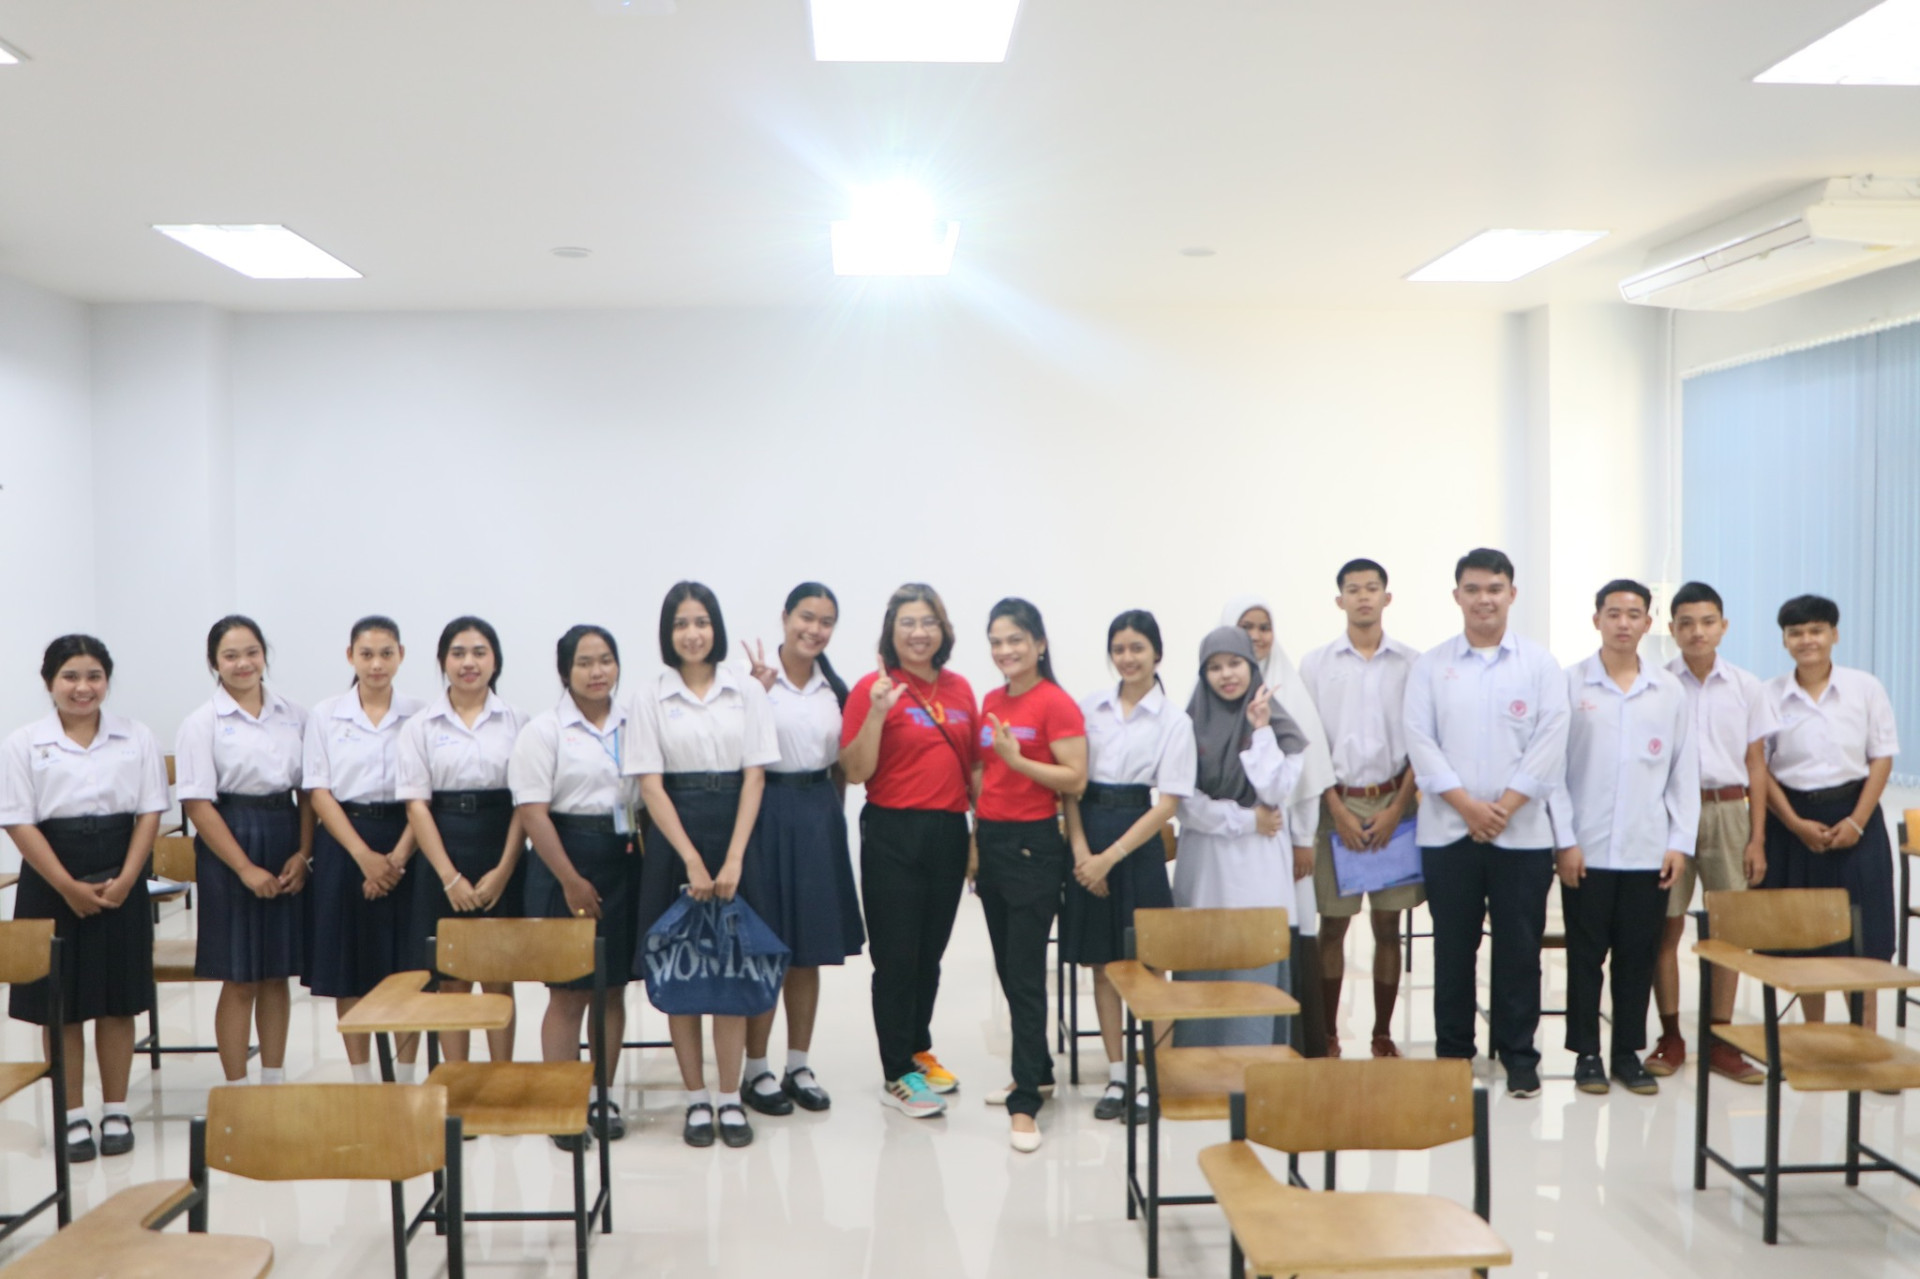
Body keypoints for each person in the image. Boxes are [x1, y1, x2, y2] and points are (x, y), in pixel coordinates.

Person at [1404, 548, 1568, 1099]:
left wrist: (1506, 806)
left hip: (1522, 835)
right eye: (1472, 589)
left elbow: (1549, 742)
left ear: (1511, 594)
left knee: (1519, 949)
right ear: (1457, 596)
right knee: (1453, 949)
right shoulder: (1431, 666)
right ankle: (1453, 1054)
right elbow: (1420, 742)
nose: (1484, 599)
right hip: (1448, 832)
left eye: (1494, 589)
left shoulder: (1539, 665)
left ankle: (1519, 1056)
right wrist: (1468, 807)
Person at [2, 635, 165, 1161]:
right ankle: (71, 1114)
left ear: (107, 681)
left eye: (94, 676)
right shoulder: (25, 742)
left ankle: (116, 1108)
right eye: (70, 676)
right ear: (50, 682)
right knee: (62, 1004)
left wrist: (128, 878)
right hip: (52, 875)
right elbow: (18, 820)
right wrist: (67, 887)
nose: (82, 687)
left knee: (118, 1000)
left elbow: (150, 811)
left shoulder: (135, 736)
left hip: (122, 871)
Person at [629, 582, 779, 1149]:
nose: (692, 634)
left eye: (701, 622)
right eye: (681, 624)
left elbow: (755, 776)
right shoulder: (651, 695)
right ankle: (696, 1097)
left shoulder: (747, 690)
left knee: (733, 965)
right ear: (667, 634)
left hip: (738, 827)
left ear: (716, 627)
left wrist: (734, 855)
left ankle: (730, 1096)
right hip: (676, 833)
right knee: (683, 968)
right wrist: (691, 858)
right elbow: (650, 784)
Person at [1547, 580, 1699, 1097]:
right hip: (1585, 849)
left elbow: (1683, 772)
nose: (1623, 623)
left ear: (1648, 624)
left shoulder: (1668, 690)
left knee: (1637, 956)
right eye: (1613, 613)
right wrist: (1564, 841)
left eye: (1634, 614)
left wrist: (1679, 843)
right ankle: (1587, 1054)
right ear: (1597, 620)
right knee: (1585, 956)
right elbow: (1553, 772)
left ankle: (1626, 1053)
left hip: (1646, 848)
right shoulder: (1570, 685)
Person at [840, 583, 977, 1119]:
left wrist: (978, 836)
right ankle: (896, 1072)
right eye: (908, 623)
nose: (919, 633)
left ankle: (918, 1049)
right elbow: (855, 772)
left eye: (929, 622)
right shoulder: (870, 689)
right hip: (892, 832)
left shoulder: (961, 690)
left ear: (943, 630)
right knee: (896, 958)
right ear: (891, 633)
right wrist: (877, 713)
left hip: (949, 831)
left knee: (929, 956)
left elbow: (975, 769)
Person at [509, 624, 640, 1149]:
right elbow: (532, 812)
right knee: (567, 993)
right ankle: (562, 1103)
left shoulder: (635, 723)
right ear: (565, 672)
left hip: (622, 860)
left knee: (611, 987)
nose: (596, 671)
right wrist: (570, 880)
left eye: (605, 660)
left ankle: (601, 1096)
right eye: (584, 663)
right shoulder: (543, 731)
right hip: (563, 861)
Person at [1061, 610, 1192, 1123]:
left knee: (1152, 964)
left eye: (1138, 648)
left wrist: (1109, 858)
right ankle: (1117, 1075)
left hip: (1138, 843)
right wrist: (1081, 855)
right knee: (1103, 964)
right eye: (1119, 649)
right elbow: (1072, 785)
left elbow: (1167, 805)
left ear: (1157, 653)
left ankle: (1152, 1078)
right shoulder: (1089, 708)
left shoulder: (1173, 720)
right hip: (1089, 834)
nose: (1128, 657)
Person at [740, 583, 864, 1115]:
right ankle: (755, 1069)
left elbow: (841, 765)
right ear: (785, 617)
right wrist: (754, 692)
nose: (814, 629)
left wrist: (830, 816)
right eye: (806, 617)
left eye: (826, 621)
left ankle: (798, 1064)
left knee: (808, 950)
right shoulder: (754, 683)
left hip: (817, 816)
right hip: (766, 812)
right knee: (767, 947)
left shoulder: (834, 688)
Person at [174, 615, 311, 1086]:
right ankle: (236, 1087)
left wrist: (304, 853)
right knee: (240, 976)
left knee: (276, 973)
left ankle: (272, 1082)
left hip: (284, 830)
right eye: (230, 655)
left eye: (252, 652)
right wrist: (245, 867)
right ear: (214, 662)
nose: (243, 663)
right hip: (229, 838)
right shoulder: (202, 722)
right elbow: (197, 803)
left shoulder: (294, 714)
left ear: (264, 655)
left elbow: (308, 791)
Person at [972, 598, 1087, 1154]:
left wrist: (1018, 761)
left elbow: (1076, 778)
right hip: (993, 843)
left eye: (1015, 639)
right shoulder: (992, 700)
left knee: (1023, 973)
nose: (1005, 650)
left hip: (1032, 848)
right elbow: (983, 772)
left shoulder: (1055, 703)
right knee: (1007, 965)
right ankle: (1036, 1071)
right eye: (996, 641)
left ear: (1039, 644)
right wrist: (976, 838)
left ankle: (1025, 1104)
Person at [1650, 581, 1775, 1082]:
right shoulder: (1658, 683)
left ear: (1723, 626)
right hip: (1668, 815)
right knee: (1665, 926)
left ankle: (1722, 1042)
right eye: (1686, 623)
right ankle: (1671, 1037)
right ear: (1672, 629)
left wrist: (1757, 838)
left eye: (1707, 622)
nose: (1697, 632)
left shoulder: (1747, 686)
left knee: (1730, 934)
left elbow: (1757, 764)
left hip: (1729, 812)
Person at [1297, 559, 1422, 1059]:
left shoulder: (1412, 664)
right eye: (1354, 589)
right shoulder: (1316, 665)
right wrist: (1337, 809)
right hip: (1336, 802)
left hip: (1396, 803)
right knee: (1333, 924)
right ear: (1340, 600)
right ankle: (1327, 1033)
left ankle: (1382, 1034)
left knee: (1388, 926)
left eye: (1372, 588)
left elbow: (1423, 743)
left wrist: (1398, 808)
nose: (1364, 597)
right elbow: (1308, 745)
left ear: (1387, 598)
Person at [1762, 594, 1899, 1026]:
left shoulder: (1865, 688)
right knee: (1803, 939)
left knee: (1865, 939)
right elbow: (1759, 769)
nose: (1807, 640)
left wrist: (1857, 822)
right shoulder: (1769, 695)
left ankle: (1865, 1042)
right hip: (1792, 821)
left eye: (1816, 630)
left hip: (1856, 816)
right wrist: (1793, 823)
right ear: (1784, 640)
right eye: (1796, 633)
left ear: (1834, 635)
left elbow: (1882, 757)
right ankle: (1814, 1037)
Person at [398, 616, 528, 1065]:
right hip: (443, 849)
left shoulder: (518, 722)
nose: (468, 662)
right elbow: (417, 807)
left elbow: (526, 805)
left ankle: (501, 1077)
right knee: (450, 976)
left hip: (500, 845)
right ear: (442, 661)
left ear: (495, 661)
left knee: (498, 975)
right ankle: (456, 1080)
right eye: (458, 653)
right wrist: (449, 878)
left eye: (479, 652)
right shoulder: (421, 726)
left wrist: (505, 871)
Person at [303, 615, 428, 1082]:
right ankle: (361, 1080)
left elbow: (425, 795)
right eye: (367, 654)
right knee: (348, 966)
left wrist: (396, 859)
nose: (377, 664)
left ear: (401, 656)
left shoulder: (420, 714)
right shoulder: (326, 714)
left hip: (407, 836)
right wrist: (364, 858)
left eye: (386, 654)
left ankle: (407, 1078)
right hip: (344, 843)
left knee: (409, 967)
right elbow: (319, 793)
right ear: (350, 656)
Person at [1172, 626, 1308, 1046]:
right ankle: (1196, 1065)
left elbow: (1274, 790)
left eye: (1234, 663)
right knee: (1205, 965)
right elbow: (1185, 805)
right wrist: (1247, 821)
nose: (1226, 674)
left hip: (1259, 870)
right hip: (1207, 866)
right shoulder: (1187, 727)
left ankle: (1254, 1063)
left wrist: (1261, 729)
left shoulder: (1281, 727)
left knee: (1255, 967)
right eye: (1214, 667)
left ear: (1252, 666)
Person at [1221, 593, 1335, 1054]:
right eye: (1245, 626)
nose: (1256, 636)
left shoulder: (1288, 690)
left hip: (1280, 840)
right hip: (1225, 843)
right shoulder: (1212, 690)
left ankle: (1288, 1044)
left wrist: (1303, 840)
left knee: (1286, 928)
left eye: (1264, 626)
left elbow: (1308, 775)